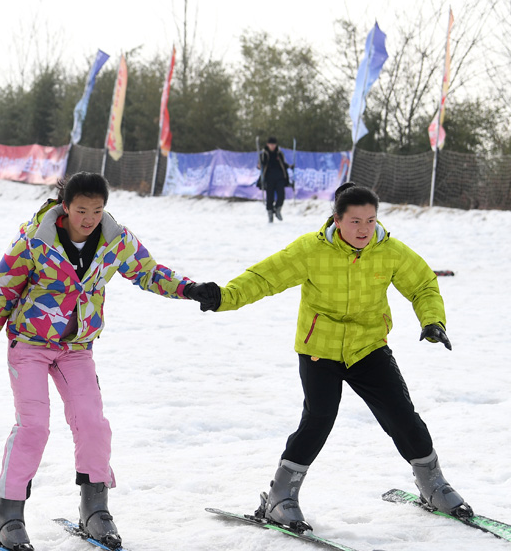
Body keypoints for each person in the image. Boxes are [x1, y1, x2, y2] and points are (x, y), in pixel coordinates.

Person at [184, 182, 470, 531]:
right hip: (320, 350)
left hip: (368, 347)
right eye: (355, 221)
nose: (364, 229)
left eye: (370, 220)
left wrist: (432, 321)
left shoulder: (389, 250)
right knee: (319, 418)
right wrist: (224, 297)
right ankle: (280, 497)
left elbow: (423, 283)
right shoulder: (311, 250)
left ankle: (433, 485)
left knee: (402, 415)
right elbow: (264, 277)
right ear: (337, 219)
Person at [0, 172, 204, 551]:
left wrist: (190, 289)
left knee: (93, 423)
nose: (89, 218)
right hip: (30, 344)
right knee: (34, 427)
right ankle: (8, 515)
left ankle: (95, 508)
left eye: (97, 210)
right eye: (81, 210)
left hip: (77, 348)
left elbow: (148, 272)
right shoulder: (35, 240)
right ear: (65, 207)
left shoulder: (115, 241)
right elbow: (5, 289)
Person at [257, 136, 292, 223]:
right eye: (270, 144)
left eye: (274, 144)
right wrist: (259, 165)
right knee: (270, 197)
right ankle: (270, 214)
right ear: (267, 144)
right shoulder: (264, 154)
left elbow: (283, 164)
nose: (272, 146)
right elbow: (260, 165)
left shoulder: (279, 153)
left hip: (280, 177)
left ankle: (277, 210)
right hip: (268, 178)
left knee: (281, 195)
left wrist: (289, 166)